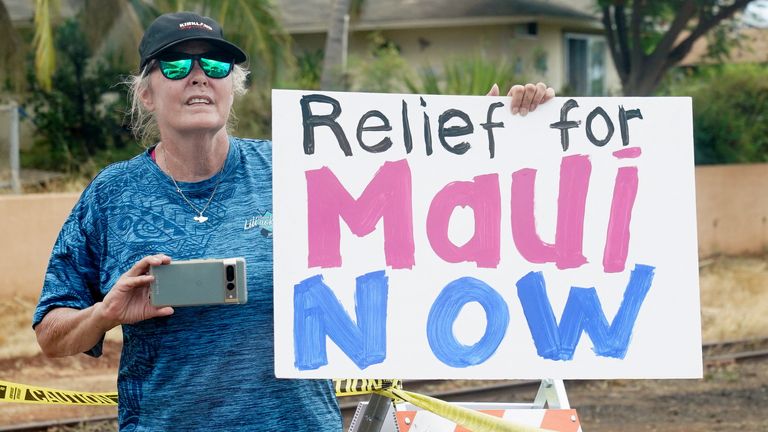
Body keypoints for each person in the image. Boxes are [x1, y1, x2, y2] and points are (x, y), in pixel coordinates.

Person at [32, 11, 556, 431]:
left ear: (233, 87)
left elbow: (411, 197)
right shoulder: (113, 194)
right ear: (146, 92)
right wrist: (105, 313)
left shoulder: (297, 169)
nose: (197, 77)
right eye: (175, 66)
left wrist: (489, 129)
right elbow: (52, 337)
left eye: (215, 67)